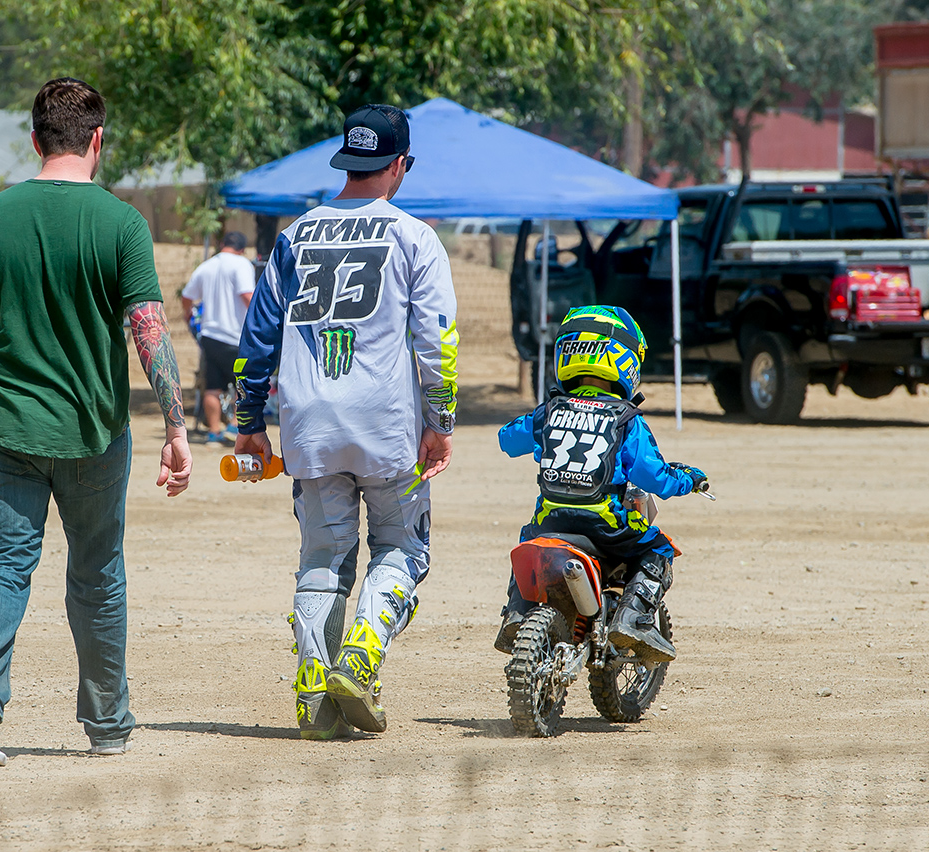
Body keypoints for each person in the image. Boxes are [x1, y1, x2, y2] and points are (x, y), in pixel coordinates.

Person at [0, 77, 192, 767]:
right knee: (96, 574)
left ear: (34, 140)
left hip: (3, 430)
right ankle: (108, 724)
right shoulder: (121, 224)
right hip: (93, 434)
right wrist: (176, 429)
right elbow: (149, 331)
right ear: (97, 140)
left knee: (0, 568)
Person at [234, 104, 459, 739]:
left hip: (308, 422)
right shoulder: (415, 237)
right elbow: (436, 337)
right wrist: (441, 418)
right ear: (397, 165)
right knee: (401, 546)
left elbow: (258, 334)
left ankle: (312, 694)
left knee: (322, 555)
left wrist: (249, 418)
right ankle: (361, 654)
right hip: (387, 424)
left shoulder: (295, 235)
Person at [495, 305, 707, 663]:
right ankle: (633, 620)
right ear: (625, 360)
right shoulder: (626, 419)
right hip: (605, 527)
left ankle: (518, 612)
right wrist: (687, 479)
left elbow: (507, 440)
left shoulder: (549, 412)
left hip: (551, 521)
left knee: (530, 541)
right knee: (658, 549)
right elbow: (653, 476)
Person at [181, 231, 256, 443]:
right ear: (242, 249)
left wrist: (189, 315)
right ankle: (234, 426)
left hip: (210, 336)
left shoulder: (207, 266)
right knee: (244, 382)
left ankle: (213, 431)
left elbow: (187, 297)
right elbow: (246, 295)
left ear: (222, 244)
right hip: (235, 336)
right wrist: (260, 321)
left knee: (212, 386)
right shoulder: (242, 265)